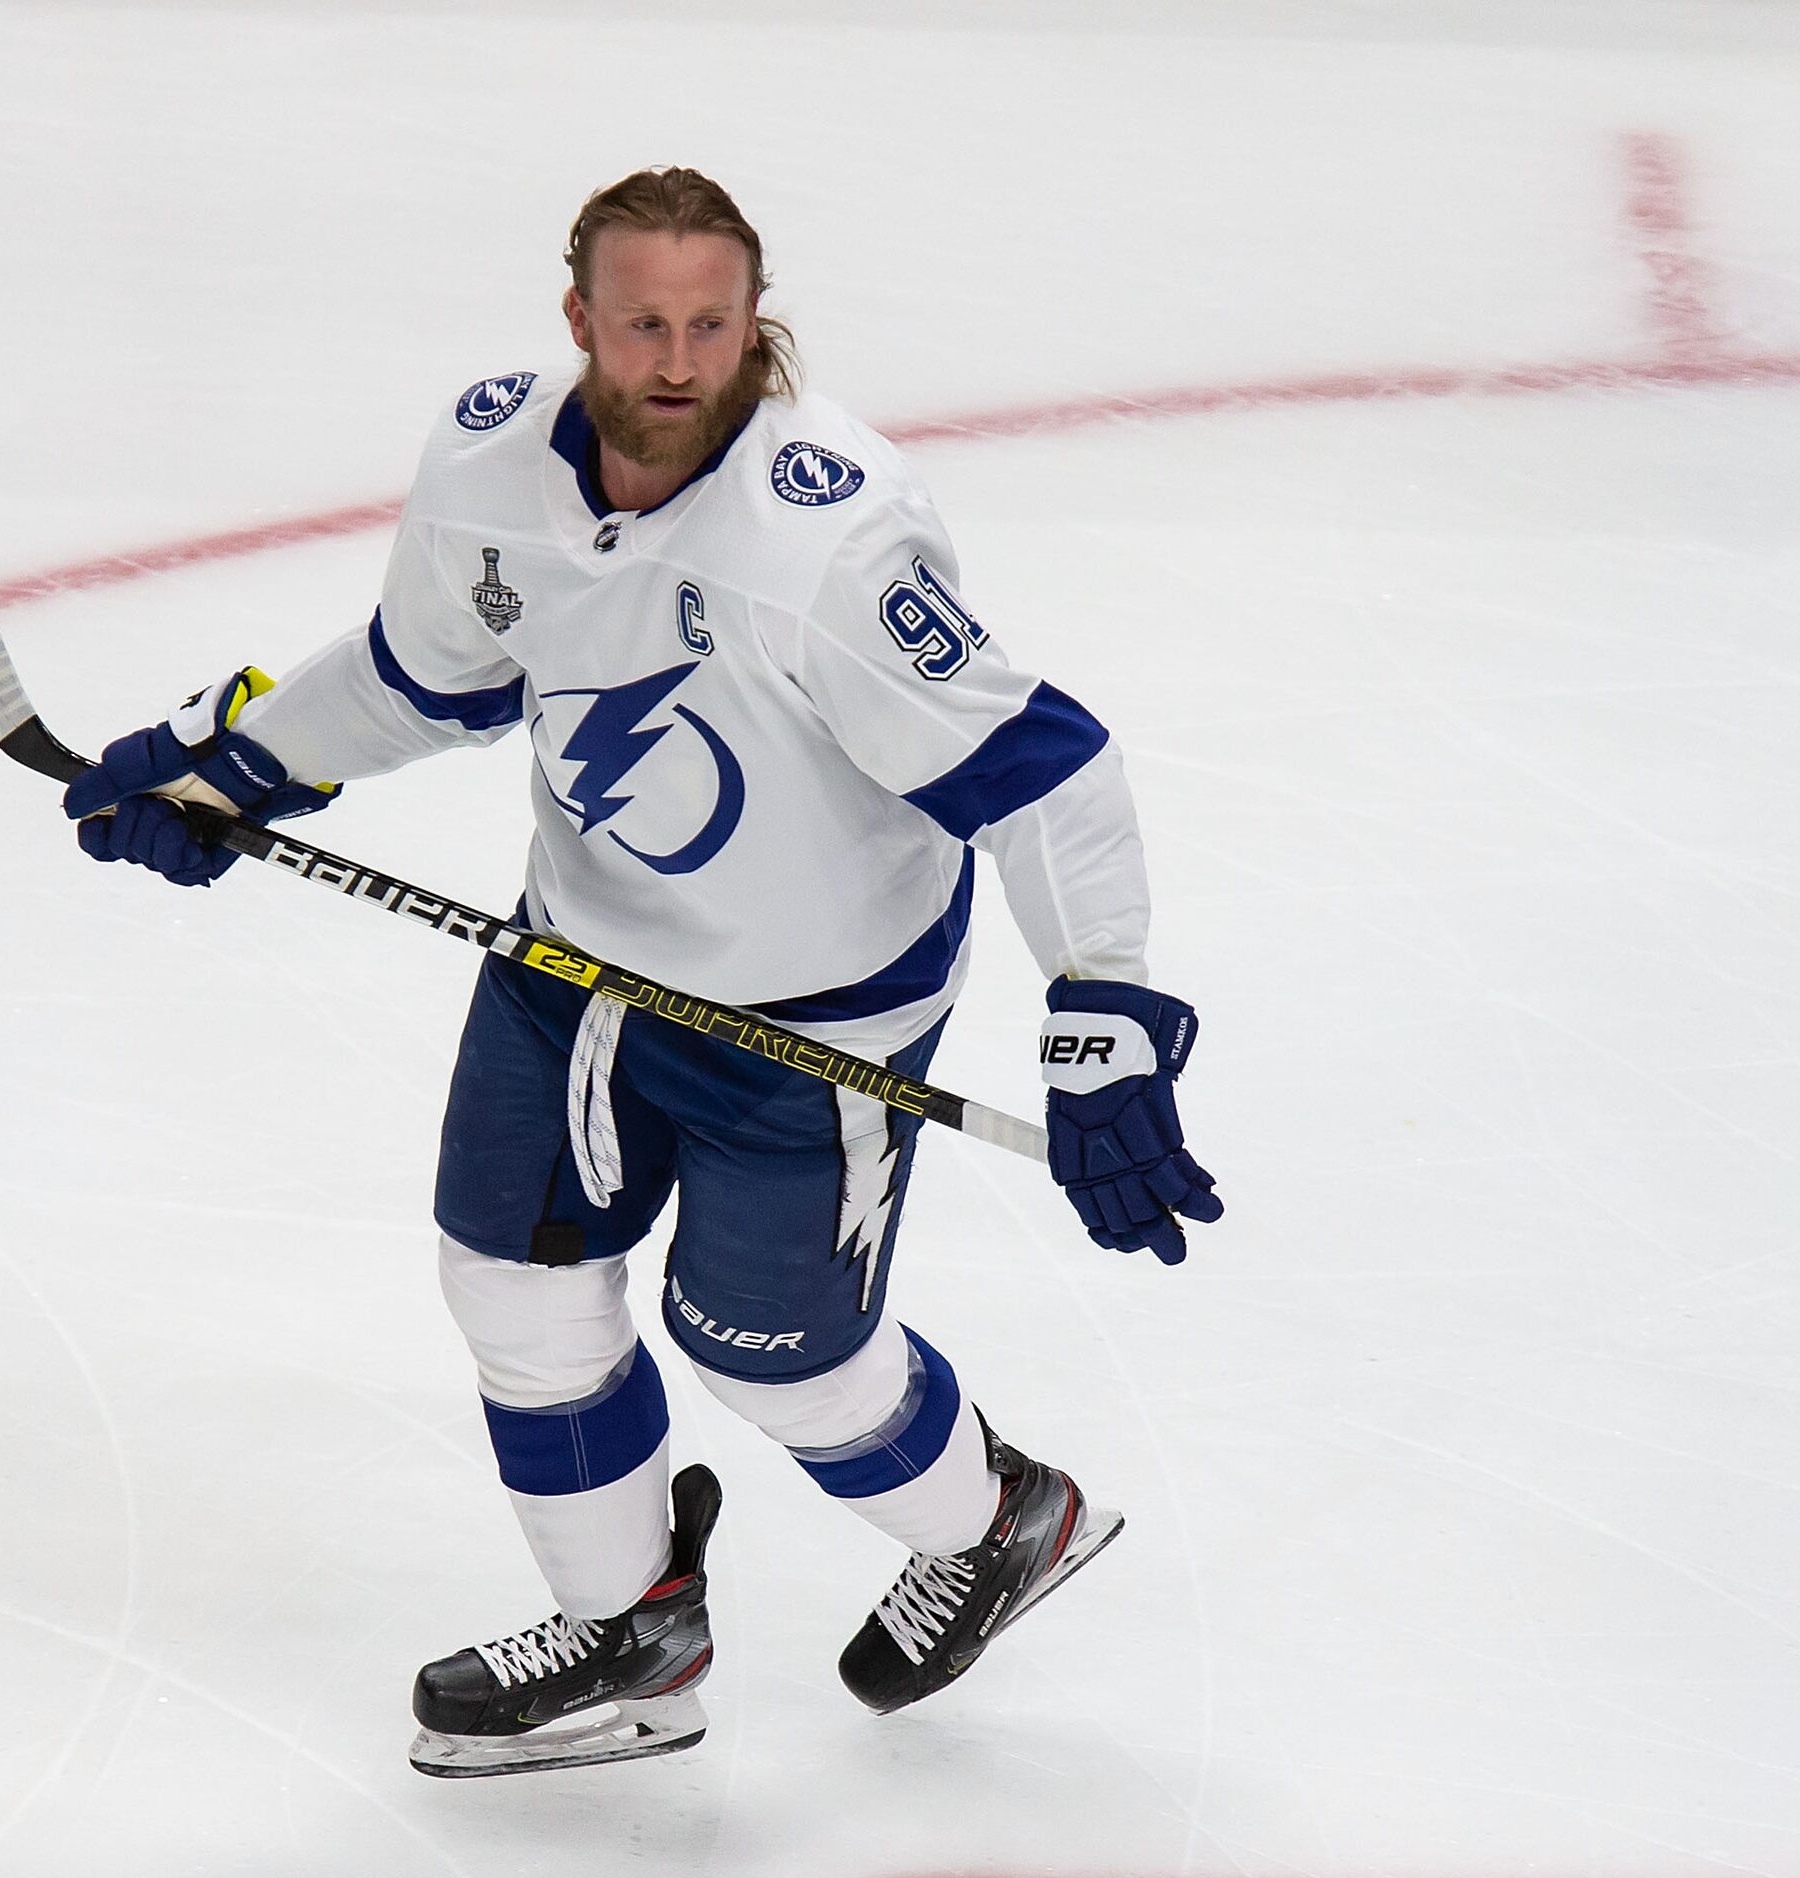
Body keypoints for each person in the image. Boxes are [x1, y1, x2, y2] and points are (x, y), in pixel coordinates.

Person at [60, 166, 1222, 1777]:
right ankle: (633, 1633)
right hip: (575, 963)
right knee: (514, 1293)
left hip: (815, 1028)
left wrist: (1104, 1011)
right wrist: (240, 763)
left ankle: (999, 1514)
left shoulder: (824, 535)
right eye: (643, 324)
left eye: (711, 324)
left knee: (780, 1361)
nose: (678, 361)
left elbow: (1038, 770)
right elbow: (428, 674)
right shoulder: (487, 455)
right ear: (578, 321)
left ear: (756, 323)